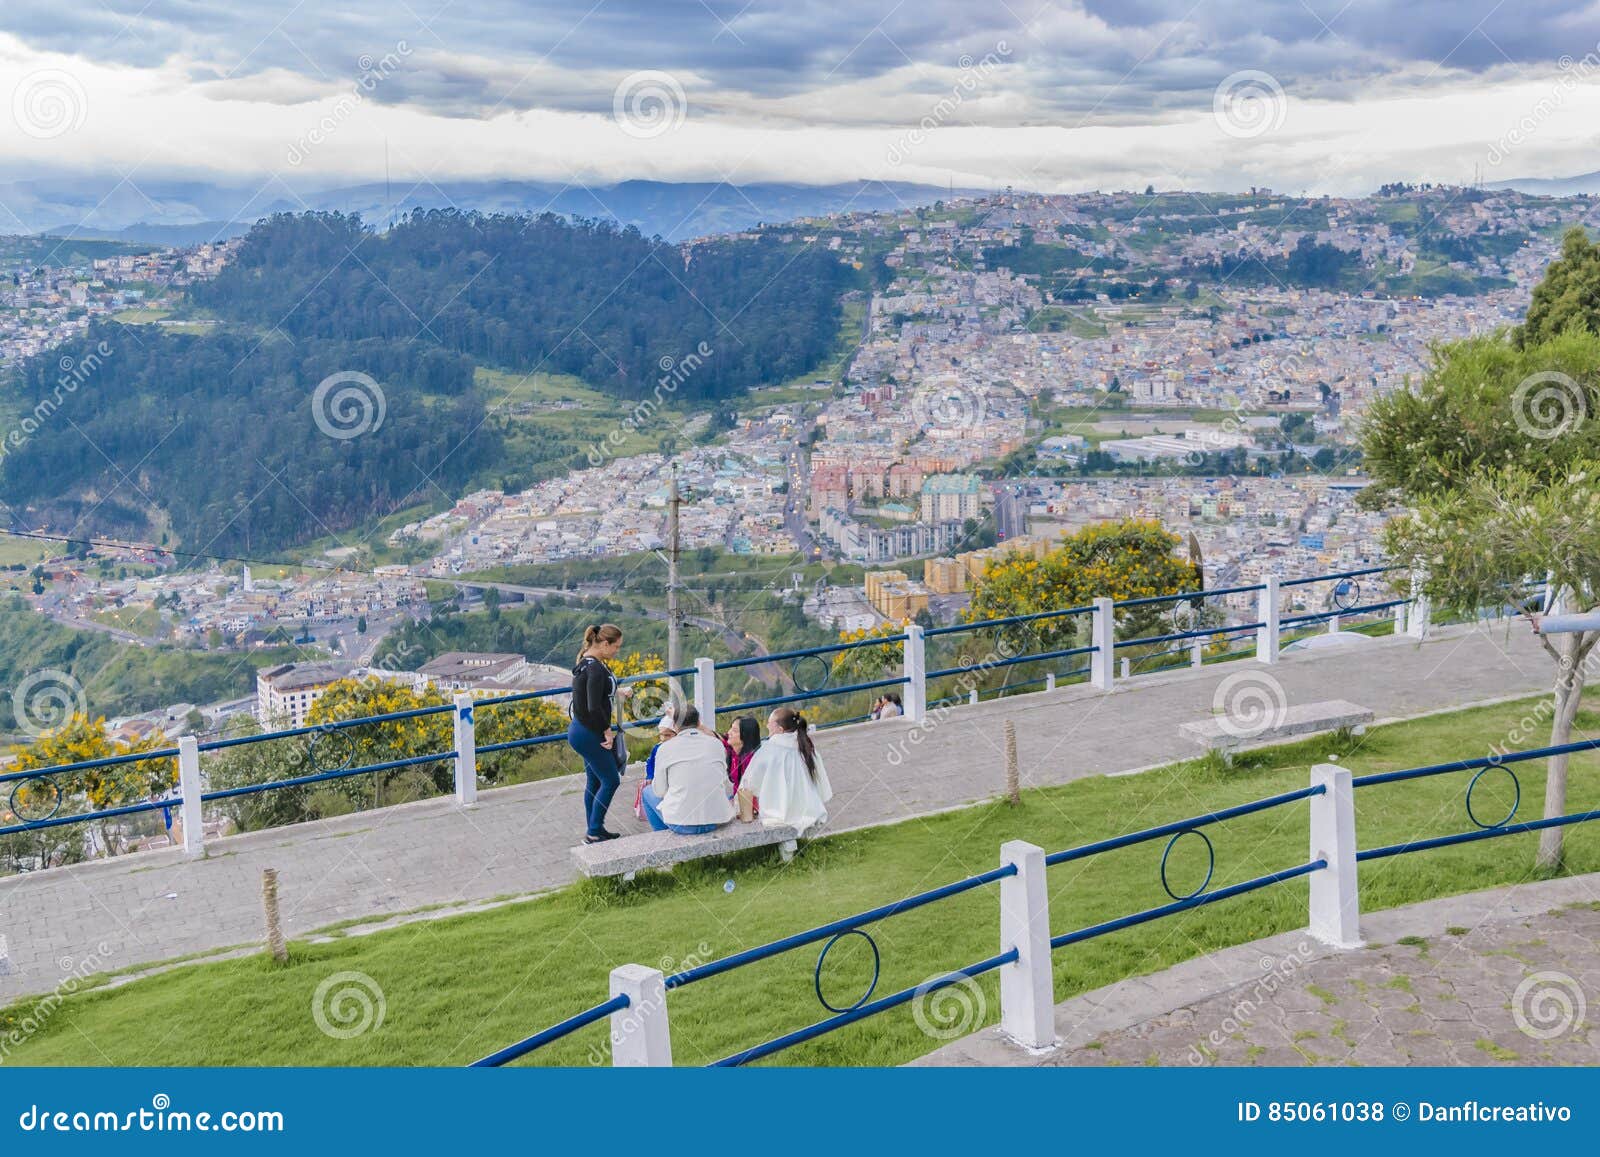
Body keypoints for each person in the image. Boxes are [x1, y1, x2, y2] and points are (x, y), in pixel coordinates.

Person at [568, 623, 630, 844]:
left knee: (595, 781)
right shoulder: (596, 668)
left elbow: (594, 693)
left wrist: (617, 690)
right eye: (616, 647)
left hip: (580, 730)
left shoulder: (587, 661)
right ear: (605, 644)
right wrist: (607, 732)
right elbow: (594, 706)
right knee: (611, 779)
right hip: (589, 732)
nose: (617, 651)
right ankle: (594, 831)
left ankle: (595, 828)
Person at [640, 706, 735, 836]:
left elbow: (659, 791)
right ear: (698, 722)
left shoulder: (664, 749)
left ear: (674, 725)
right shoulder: (716, 744)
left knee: (646, 792)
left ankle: (665, 841)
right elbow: (725, 784)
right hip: (717, 819)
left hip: (681, 823)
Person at [740, 706, 832, 835]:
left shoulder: (769, 749)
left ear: (780, 729)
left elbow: (750, 782)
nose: (766, 726)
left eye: (770, 723)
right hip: (809, 809)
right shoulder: (807, 746)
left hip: (778, 811)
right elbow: (820, 780)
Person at [721, 716, 762, 792]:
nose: (729, 732)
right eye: (731, 728)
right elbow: (715, 735)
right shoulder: (732, 749)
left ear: (745, 735)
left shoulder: (750, 761)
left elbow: (750, 791)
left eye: (734, 730)